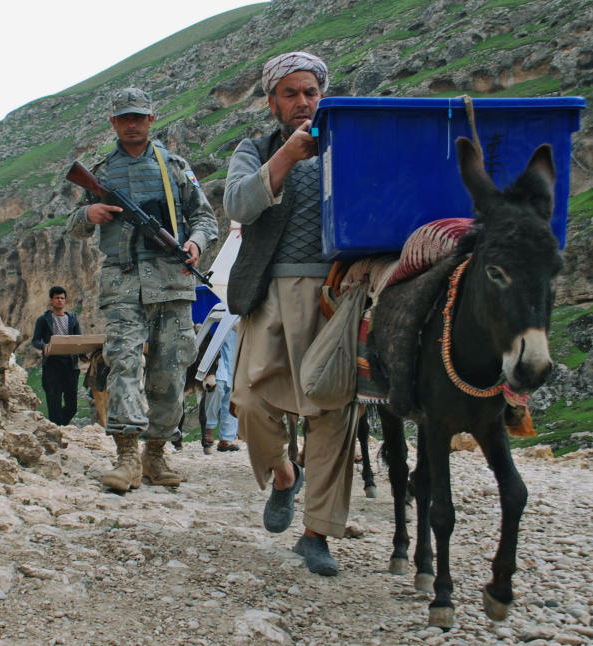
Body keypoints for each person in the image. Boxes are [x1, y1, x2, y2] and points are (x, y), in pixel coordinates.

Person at [224, 52, 356, 577]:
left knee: (333, 414)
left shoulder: (347, 146)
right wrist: (286, 160)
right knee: (250, 403)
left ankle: (316, 533)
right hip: (270, 295)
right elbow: (237, 204)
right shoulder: (253, 149)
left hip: (336, 296)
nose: (302, 103)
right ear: (272, 101)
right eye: (291, 94)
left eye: (311, 93)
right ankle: (284, 475)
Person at [66, 87, 217, 492]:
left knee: (171, 370)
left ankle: (155, 454)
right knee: (124, 364)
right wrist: (89, 213)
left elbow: (204, 216)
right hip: (123, 283)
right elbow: (74, 225)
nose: (133, 124)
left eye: (139, 117)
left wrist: (196, 243)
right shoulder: (102, 171)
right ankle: (127, 457)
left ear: (151, 120)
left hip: (172, 280)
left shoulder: (175, 167)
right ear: (113, 123)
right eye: (125, 118)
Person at [31, 286, 83, 426]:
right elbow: (35, 340)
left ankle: (61, 426)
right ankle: (58, 431)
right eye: (57, 298)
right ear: (51, 300)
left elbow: (78, 339)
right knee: (54, 402)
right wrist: (44, 346)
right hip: (52, 364)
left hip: (70, 364)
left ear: (65, 300)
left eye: (62, 298)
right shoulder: (43, 320)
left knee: (72, 405)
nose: (60, 301)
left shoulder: (72, 319)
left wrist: (83, 353)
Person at [202, 326, 240, 454]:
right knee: (217, 386)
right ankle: (208, 428)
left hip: (236, 344)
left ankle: (227, 437)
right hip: (216, 339)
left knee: (233, 391)